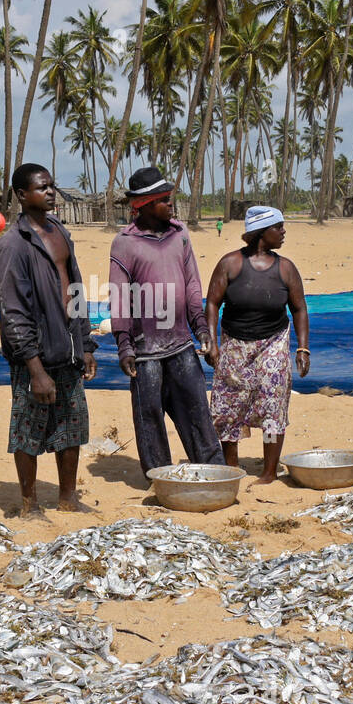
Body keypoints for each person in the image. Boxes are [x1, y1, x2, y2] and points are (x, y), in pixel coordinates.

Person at [0, 163, 97, 515]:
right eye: (42, 187)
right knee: (28, 431)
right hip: (34, 356)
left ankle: (67, 498)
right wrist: (35, 368)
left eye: (52, 185)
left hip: (67, 348)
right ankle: (29, 503)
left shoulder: (60, 232)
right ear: (22, 195)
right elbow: (14, 312)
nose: (51, 192)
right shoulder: (12, 245)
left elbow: (77, 288)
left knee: (73, 426)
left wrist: (86, 344)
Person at [109, 166, 225, 477]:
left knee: (197, 411)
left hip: (181, 343)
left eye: (170, 198)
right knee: (149, 418)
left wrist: (200, 326)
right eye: (164, 200)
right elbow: (119, 297)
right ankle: (159, 478)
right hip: (145, 350)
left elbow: (191, 285)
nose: (171, 205)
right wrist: (124, 345)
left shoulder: (180, 235)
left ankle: (213, 472)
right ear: (143, 205)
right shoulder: (125, 242)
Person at [205, 205, 310, 485]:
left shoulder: (285, 268)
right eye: (279, 227)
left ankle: (268, 471)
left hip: (273, 343)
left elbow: (299, 309)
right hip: (234, 344)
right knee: (228, 404)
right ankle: (231, 467)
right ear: (262, 233)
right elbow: (213, 303)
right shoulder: (230, 264)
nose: (284, 232)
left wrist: (302, 348)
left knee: (273, 403)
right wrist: (212, 343)